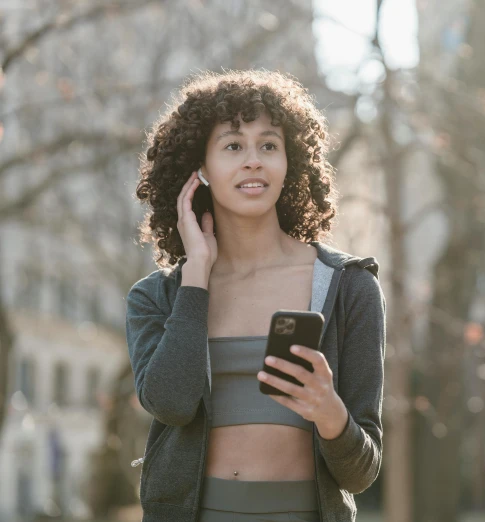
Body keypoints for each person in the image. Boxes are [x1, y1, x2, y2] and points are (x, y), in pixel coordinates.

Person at [125, 69, 386, 522]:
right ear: (200, 169)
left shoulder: (348, 287)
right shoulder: (158, 297)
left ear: (291, 162)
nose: (254, 161)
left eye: (269, 145)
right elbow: (171, 402)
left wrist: (330, 414)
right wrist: (197, 277)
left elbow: (361, 473)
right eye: (232, 146)